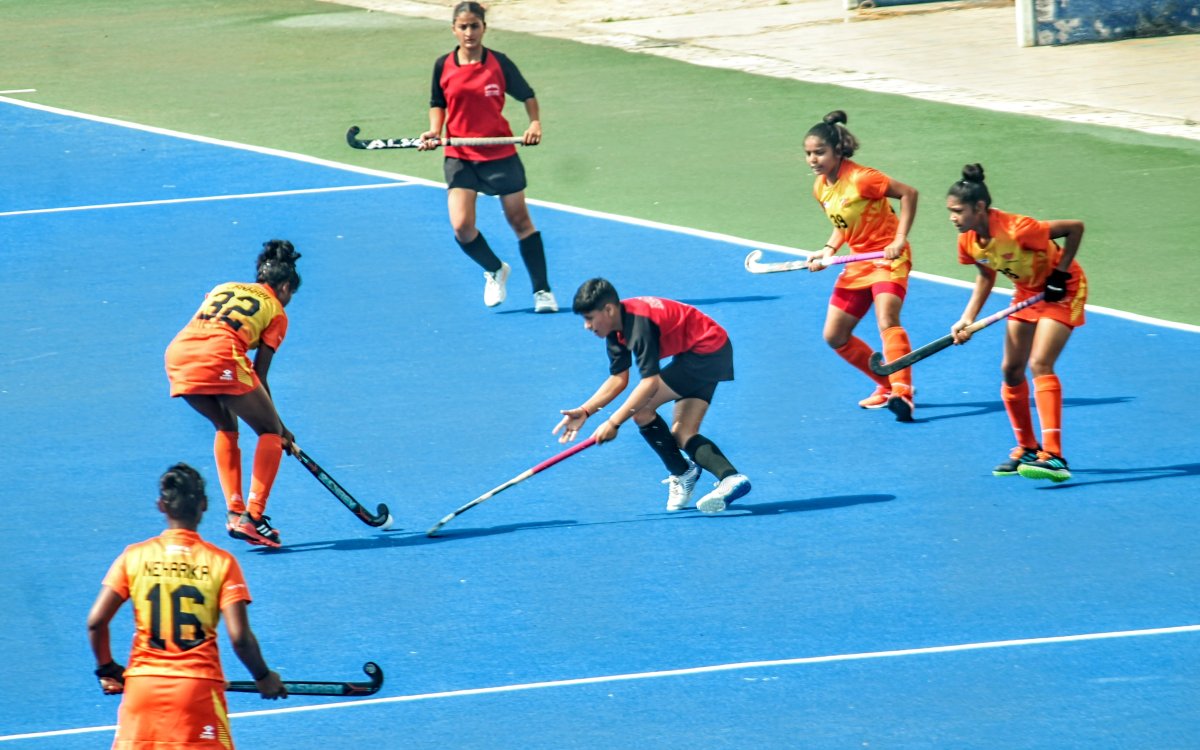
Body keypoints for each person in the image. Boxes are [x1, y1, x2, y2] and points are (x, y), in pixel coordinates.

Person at [86, 463, 286, 749]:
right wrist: (264, 677)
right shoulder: (221, 562)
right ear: (204, 505)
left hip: (142, 688)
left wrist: (106, 668)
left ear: (161, 505)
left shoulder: (134, 556)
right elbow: (240, 638)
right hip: (197, 691)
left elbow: (96, 622)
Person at [554, 278, 751, 513]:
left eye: (589, 318)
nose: (586, 326)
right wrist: (585, 411)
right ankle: (731, 478)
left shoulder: (639, 325)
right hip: (711, 350)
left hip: (704, 353)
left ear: (608, 309)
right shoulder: (615, 328)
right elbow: (618, 379)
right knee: (682, 433)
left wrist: (613, 423)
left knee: (642, 411)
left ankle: (682, 471)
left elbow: (649, 383)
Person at [947, 164, 1086, 482]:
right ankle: (1027, 447)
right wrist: (967, 319)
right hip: (1027, 292)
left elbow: (1075, 228)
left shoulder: (1018, 229)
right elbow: (985, 276)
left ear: (979, 207)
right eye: (950, 211)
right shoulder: (969, 241)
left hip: (1063, 291)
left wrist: (1061, 272)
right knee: (1011, 370)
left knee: (1040, 363)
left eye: (957, 211)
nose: (952, 218)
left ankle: (1054, 456)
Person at [417, 1, 556, 313]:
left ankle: (542, 291)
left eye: (474, 26)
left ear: (484, 28)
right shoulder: (443, 65)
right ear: (454, 29)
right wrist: (434, 131)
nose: (469, 32)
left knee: (520, 221)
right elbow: (437, 101)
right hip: (460, 154)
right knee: (462, 227)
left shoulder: (499, 63)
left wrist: (534, 123)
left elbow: (527, 95)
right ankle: (495, 269)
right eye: (463, 27)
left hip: (499, 152)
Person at [164, 239, 300, 547]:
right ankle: (254, 516)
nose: (290, 299)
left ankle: (236, 513)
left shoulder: (223, 286)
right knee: (269, 431)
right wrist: (281, 429)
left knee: (226, 424)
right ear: (282, 286)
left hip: (179, 355)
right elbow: (259, 373)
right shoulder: (276, 311)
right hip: (220, 355)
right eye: (291, 292)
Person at [803, 110, 920, 422]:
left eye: (820, 152)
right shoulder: (821, 187)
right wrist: (828, 250)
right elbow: (845, 221)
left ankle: (903, 392)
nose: (813, 159)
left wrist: (899, 237)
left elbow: (909, 194)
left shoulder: (863, 178)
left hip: (887, 258)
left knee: (887, 318)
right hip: (858, 262)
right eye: (808, 154)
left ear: (838, 150)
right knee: (835, 335)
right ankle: (886, 384)